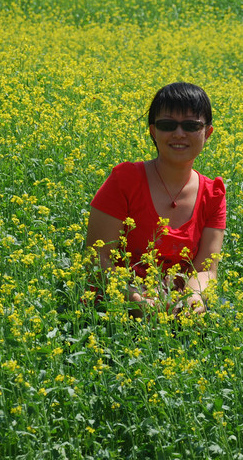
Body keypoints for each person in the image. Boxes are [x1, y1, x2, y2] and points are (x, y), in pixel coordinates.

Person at [86, 82, 226, 316]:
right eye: (167, 125)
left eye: (191, 125)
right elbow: (97, 258)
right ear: (153, 131)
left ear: (207, 132)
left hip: (179, 313)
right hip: (116, 310)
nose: (179, 133)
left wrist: (193, 299)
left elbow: (206, 270)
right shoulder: (125, 180)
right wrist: (134, 299)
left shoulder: (213, 194)